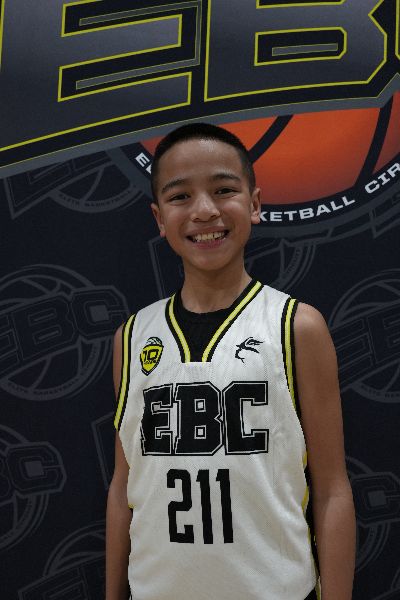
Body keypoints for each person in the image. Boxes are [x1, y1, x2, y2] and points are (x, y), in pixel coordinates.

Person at [106, 123, 356, 600]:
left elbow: (332, 490)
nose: (204, 210)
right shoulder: (132, 337)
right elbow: (124, 488)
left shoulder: (296, 327)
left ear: (255, 204)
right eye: (180, 196)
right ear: (160, 218)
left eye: (224, 190)